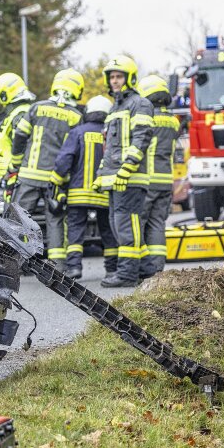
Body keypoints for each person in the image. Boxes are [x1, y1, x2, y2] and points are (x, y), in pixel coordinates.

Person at [8, 68, 85, 270]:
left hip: (29, 176)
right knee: (56, 221)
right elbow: (76, 150)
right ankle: (57, 266)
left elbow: (19, 136)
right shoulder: (76, 116)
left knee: (19, 218)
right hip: (56, 179)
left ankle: (14, 263)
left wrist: (15, 163)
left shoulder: (36, 108)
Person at [94, 55, 154, 288]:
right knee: (118, 223)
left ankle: (128, 274)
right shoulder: (114, 107)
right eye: (112, 77)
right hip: (114, 178)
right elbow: (109, 148)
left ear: (129, 78)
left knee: (126, 225)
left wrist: (126, 170)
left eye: (119, 77)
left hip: (130, 177)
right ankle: (146, 269)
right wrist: (101, 174)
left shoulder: (140, 104)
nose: (115, 81)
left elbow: (142, 138)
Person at [53, 94, 116, 280]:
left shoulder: (78, 132)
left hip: (78, 193)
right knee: (108, 230)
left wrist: (56, 181)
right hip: (104, 193)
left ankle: (74, 268)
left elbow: (64, 159)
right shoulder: (111, 133)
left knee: (75, 230)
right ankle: (112, 269)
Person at [136, 74, 179, 280]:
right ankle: (157, 268)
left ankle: (142, 268)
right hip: (165, 181)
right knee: (157, 223)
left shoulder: (148, 118)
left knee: (139, 223)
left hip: (148, 179)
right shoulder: (173, 121)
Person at [0, 72, 36, 194]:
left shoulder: (20, 116)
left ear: (5, 95)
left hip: (13, 180)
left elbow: (22, 149)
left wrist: (11, 174)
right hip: (7, 180)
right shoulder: (21, 114)